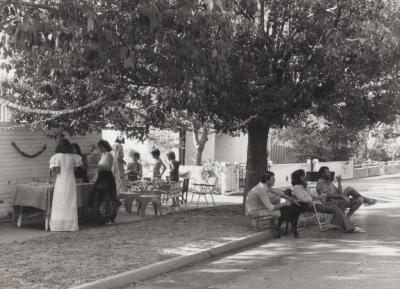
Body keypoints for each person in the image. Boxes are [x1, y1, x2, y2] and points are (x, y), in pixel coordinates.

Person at [291, 169, 364, 233]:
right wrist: (316, 198)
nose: (305, 178)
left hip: (316, 203)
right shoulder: (296, 188)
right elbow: (303, 199)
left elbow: (312, 196)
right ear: (299, 178)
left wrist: (319, 197)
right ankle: (349, 227)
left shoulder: (305, 187)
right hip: (310, 206)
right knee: (336, 206)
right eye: (303, 176)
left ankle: (338, 223)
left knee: (340, 203)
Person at [246, 172, 302, 237]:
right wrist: (285, 204)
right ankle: (274, 226)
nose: (274, 180)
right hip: (254, 211)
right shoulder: (262, 189)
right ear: (267, 180)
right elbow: (270, 208)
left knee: (277, 198)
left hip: (258, 207)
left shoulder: (264, 185)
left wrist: (292, 200)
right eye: (272, 179)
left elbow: (280, 194)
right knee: (278, 213)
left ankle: (275, 224)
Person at [49, 139, 83, 231]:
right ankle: (71, 225)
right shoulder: (74, 157)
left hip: (61, 182)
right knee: (70, 202)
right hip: (70, 182)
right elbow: (75, 170)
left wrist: (53, 169)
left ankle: (58, 226)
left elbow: (56, 171)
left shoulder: (56, 157)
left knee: (59, 202)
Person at [87, 140, 121, 225]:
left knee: (107, 197)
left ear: (105, 146)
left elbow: (108, 167)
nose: (100, 149)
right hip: (101, 176)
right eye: (99, 147)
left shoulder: (109, 155)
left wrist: (96, 165)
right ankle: (101, 216)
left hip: (107, 177)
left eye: (101, 147)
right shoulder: (103, 155)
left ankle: (109, 217)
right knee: (99, 197)